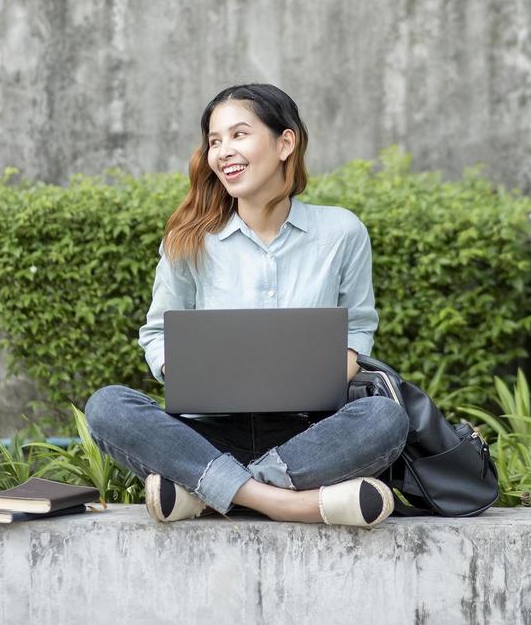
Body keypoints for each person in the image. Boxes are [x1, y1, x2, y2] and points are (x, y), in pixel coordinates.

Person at [84, 83, 410, 528]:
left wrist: (333, 368)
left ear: (285, 142)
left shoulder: (342, 232)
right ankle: (286, 503)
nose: (223, 151)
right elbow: (156, 334)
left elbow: (356, 331)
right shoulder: (189, 239)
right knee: (107, 406)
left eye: (238, 135)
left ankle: (204, 493)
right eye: (214, 141)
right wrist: (184, 370)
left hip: (308, 435)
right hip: (208, 432)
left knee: (384, 418)